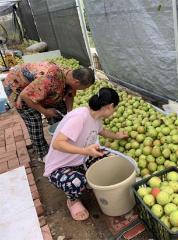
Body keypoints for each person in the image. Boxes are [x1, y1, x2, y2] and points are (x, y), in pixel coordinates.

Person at [43, 87, 128, 221]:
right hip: (60, 166)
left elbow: (102, 131)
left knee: (109, 158)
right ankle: (72, 200)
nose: (115, 110)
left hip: (80, 159)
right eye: (115, 107)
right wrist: (85, 151)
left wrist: (117, 136)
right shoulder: (80, 117)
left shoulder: (96, 117)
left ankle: (88, 178)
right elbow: (57, 143)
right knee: (77, 182)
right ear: (110, 106)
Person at [2, 61, 95, 161]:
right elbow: (25, 95)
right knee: (34, 120)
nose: (84, 90)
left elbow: (69, 94)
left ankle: (62, 142)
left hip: (37, 85)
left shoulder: (70, 76)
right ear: (76, 82)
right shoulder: (50, 79)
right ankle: (42, 154)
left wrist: (69, 113)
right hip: (17, 85)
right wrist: (45, 111)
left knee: (60, 113)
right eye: (84, 88)